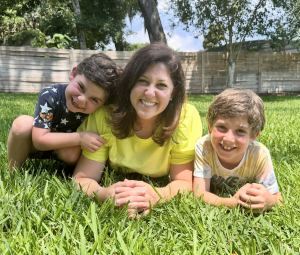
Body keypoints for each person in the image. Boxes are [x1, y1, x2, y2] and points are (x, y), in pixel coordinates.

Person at [73, 44, 202, 217]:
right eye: (142, 81)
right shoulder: (106, 116)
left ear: (173, 92)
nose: (149, 93)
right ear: (130, 83)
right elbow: (81, 179)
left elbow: (183, 182)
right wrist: (105, 194)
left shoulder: (185, 119)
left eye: (161, 85)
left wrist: (156, 196)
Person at [7, 53, 121, 172]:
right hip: (38, 147)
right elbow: (39, 141)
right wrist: (80, 138)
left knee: (71, 152)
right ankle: (13, 171)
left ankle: (69, 171)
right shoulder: (50, 95)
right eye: (81, 87)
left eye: (94, 99)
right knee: (22, 124)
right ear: (73, 74)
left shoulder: (99, 111)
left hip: (68, 152)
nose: (82, 100)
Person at [193, 89, 282, 213]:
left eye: (240, 131)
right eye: (222, 127)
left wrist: (268, 202)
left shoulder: (259, 154)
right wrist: (232, 203)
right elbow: (199, 194)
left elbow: (278, 198)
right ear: (209, 127)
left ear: (253, 136)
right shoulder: (204, 147)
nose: (228, 139)